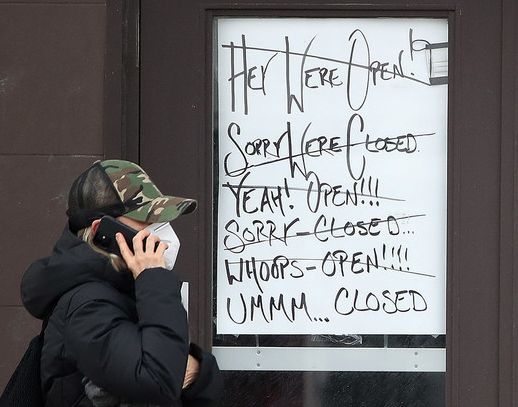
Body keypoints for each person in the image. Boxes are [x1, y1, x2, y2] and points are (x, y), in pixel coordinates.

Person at [20, 159, 223, 406]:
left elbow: (204, 389)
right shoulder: (88, 304)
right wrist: (154, 277)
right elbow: (160, 381)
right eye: (147, 220)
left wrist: (197, 372)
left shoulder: (127, 291)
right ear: (102, 231)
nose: (162, 231)